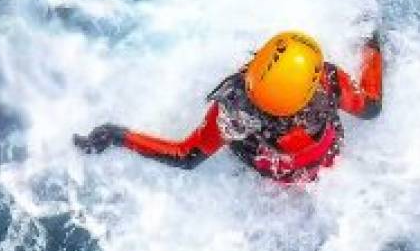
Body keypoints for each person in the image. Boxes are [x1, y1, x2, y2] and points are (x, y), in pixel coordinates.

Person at [73, 30, 383, 182]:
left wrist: (119, 136)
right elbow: (370, 107)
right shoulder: (329, 82)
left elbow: (186, 156)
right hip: (328, 163)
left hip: (273, 177)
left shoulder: (235, 113)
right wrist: (373, 47)